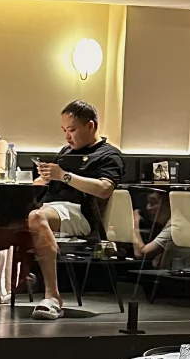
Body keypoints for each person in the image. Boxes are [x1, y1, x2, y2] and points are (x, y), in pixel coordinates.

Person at [26, 99, 124, 320]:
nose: (67, 137)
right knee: (5, 217)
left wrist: (64, 176)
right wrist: (43, 178)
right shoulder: (66, 152)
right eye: (64, 131)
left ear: (90, 126)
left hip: (80, 213)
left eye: (72, 130)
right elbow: (47, 182)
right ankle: (0, 288)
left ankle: (52, 297)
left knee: (37, 217)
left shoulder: (109, 155)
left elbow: (104, 189)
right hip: (50, 206)